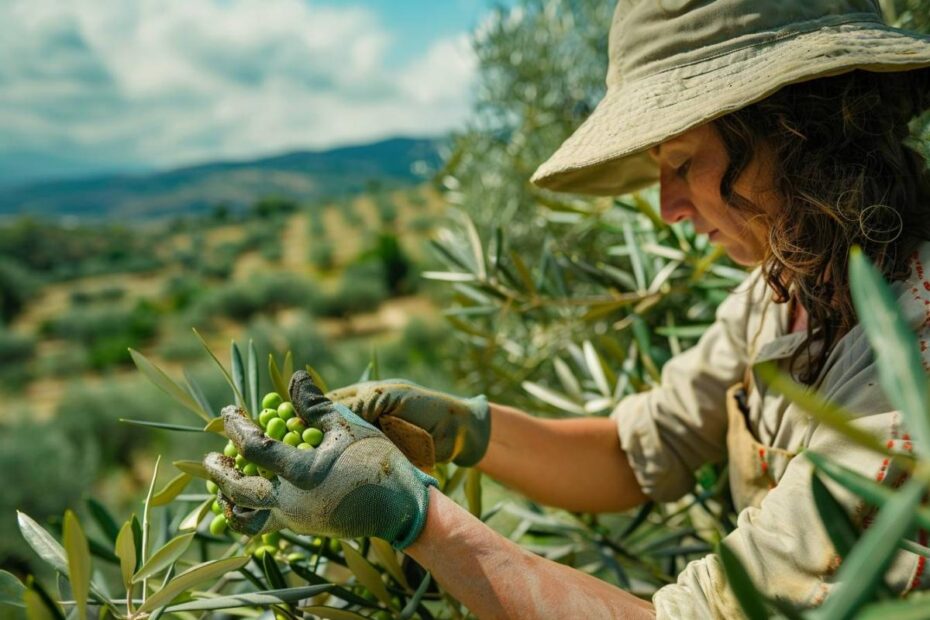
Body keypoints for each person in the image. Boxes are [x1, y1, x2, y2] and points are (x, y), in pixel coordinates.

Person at [205, 0, 930, 617]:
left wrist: (412, 515)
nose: (669, 208)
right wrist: (460, 428)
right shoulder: (787, 294)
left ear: (797, 129)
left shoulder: (912, 372)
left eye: (683, 163)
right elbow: (637, 451)